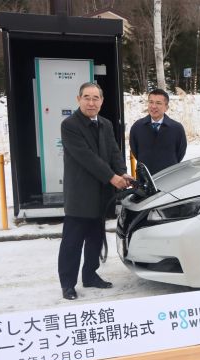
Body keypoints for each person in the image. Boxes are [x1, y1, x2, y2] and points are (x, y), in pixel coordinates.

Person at [58, 82, 132, 301]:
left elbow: (113, 151)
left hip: (101, 194)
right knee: (72, 242)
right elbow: (86, 157)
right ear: (78, 99)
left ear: (101, 101)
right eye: (87, 97)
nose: (91, 102)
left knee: (95, 239)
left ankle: (90, 275)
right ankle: (68, 284)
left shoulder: (106, 124)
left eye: (95, 98)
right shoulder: (70, 125)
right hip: (80, 196)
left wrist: (122, 172)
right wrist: (113, 178)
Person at [129, 88, 187, 175]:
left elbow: (180, 154)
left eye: (158, 103)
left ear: (166, 107)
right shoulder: (137, 127)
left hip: (169, 178)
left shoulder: (177, 128)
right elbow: (135, 151)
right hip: (145, 179)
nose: (153, 106)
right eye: (151, 102)